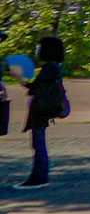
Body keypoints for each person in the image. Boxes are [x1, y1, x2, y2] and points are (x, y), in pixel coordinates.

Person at [19, 36, 65, 187]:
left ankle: (38, 176)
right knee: (39, 142)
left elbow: (34, 87)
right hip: (46, 108)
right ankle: (41, 175)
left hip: (41, 109)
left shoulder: (49, 67)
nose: (38, 50)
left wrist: (22, 80)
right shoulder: (56, 66)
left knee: (38, 143)